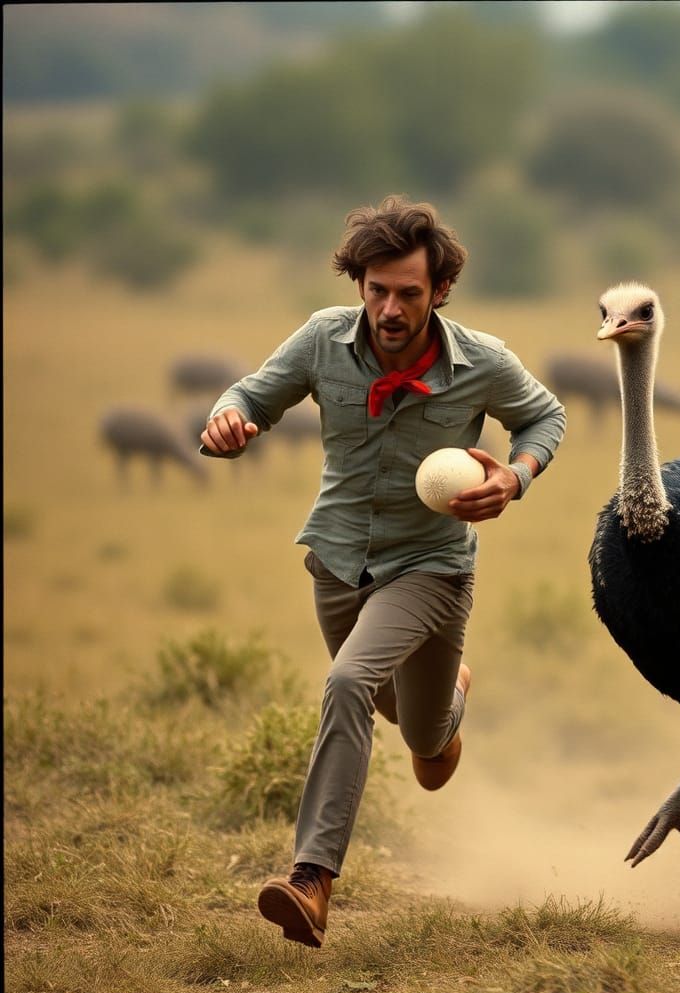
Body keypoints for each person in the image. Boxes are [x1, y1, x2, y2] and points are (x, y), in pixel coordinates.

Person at [200, 195, 566, 949]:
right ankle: (449, 700)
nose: (389, 308)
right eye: (376, 290)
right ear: (358, 284)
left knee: (348, 684)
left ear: (439, 292)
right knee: (422, 741)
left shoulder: (481, 361)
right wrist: (228, 422)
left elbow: (544, 416)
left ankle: (310, 881)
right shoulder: (321, 340)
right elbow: (251, 397)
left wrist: (516, 477)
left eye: (407, 292)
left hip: (432, 565)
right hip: (337, 560)